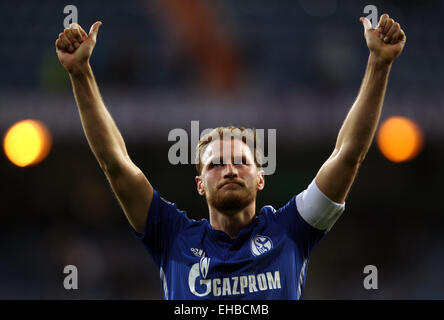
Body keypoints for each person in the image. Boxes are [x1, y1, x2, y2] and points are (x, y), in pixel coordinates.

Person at [55, 14, 406, 299]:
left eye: (240, 162)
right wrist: (80, 73)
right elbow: (115, 164)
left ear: (260, 177)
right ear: (199, 185)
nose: (229, 171)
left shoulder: (292, 230)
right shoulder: (172, 236)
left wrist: (379, 64)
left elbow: (347, 156)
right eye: (216, 164)